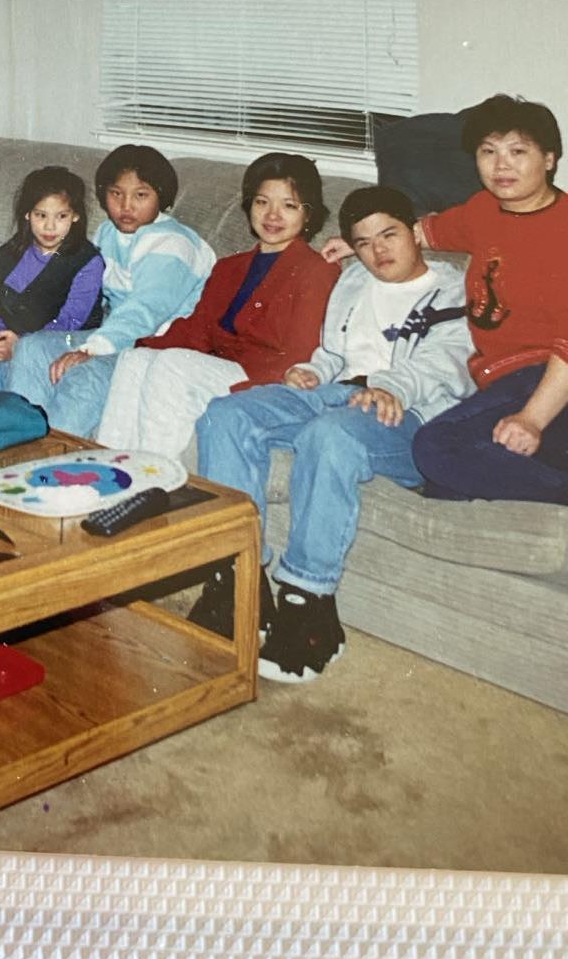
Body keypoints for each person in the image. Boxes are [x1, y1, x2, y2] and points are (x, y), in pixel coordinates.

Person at [191, 186, 472, 684]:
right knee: (225, 415)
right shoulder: (354, 279)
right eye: (363, 242)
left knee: (330, 435)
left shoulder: (452, 289)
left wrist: (391, 387)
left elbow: (447, 360)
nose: (378, 251)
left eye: (389, 235)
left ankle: (309, 603)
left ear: (415, 233)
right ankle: (238, 576)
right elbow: (333, 353)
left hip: (411, 413)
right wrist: (312, 371)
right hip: (336, 393)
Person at [96, 152, 338, 457]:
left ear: (309, 214)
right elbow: (198, 329)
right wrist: (143, 344)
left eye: (288, 206)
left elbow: (302, 352)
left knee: (172, 365)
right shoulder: (228, 267)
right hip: (215, 367)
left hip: (263, 379)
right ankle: (109, 467)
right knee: (135, 359)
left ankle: (156, 474)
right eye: (262, 202)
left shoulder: (316, 270)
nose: (272, 215)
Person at [409, 94, 568, 505]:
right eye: (488, 151)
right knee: (445, 485)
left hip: (550, 380)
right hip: (501, 384)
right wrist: (361, 242)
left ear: (550, 159)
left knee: (434, 446)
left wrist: (531, 419)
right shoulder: (482, 211)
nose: (501, 165)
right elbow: (422, 232)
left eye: (518, 151)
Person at [5, 144, 215, 438]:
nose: (126, 206)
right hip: (114, 334)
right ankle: (20, 438)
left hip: (156, 346)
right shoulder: (107, 232)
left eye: (140, 195)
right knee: (32, 347)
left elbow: (143, 313)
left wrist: (90, 350)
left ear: (162, 197)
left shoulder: (173, 245)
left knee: (86, 376)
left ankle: (53, 451)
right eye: (116, 194)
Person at [0, 165, 104, 393]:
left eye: (61, 216)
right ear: (27, 214)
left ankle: (10, 410)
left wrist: (20, 343)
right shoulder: (13, 253)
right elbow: (2, 307)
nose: (50, 226)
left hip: (60, 342)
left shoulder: (87, 261)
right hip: (15, 338)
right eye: (41, 215)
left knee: (23, 357)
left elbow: (70, 321)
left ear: (75, 216)